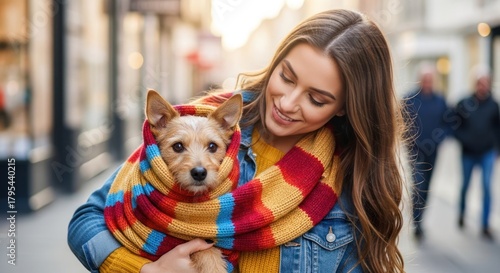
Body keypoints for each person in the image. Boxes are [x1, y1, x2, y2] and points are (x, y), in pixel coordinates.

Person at [68, 9, 406, 272]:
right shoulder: (201, 125)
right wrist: (143, 270)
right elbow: (86, 221)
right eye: (286, 77)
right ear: (275, 63)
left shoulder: (349, 181)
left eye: (316, 99)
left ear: (346, 107)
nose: (287, 103)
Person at [404, 68, 449, 241]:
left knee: (427, 185)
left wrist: (441, 138)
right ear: (420, 81)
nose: (428, 83)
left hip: (433, 151)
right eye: (425, 79)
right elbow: (402, 122)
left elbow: (448, 122)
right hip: (415, 152)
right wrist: (409, 141)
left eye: (430, 80)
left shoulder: (440, 100)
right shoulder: (410, 99)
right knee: (418, 185)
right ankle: (417, 222)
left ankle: (420, 218)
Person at [453, 74, 500, 240]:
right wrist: (463, 140)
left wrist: (496, 150)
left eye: (485, 83)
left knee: (487, 186)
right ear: (475, 84)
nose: (482, 86)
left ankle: (485, 224)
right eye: (479, 83)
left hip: (487, 152)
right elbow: (454, 124)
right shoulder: (465, 103)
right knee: (465, 185)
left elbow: (498, 128)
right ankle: (461, 213)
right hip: (468, 152)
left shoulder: (494, 105)